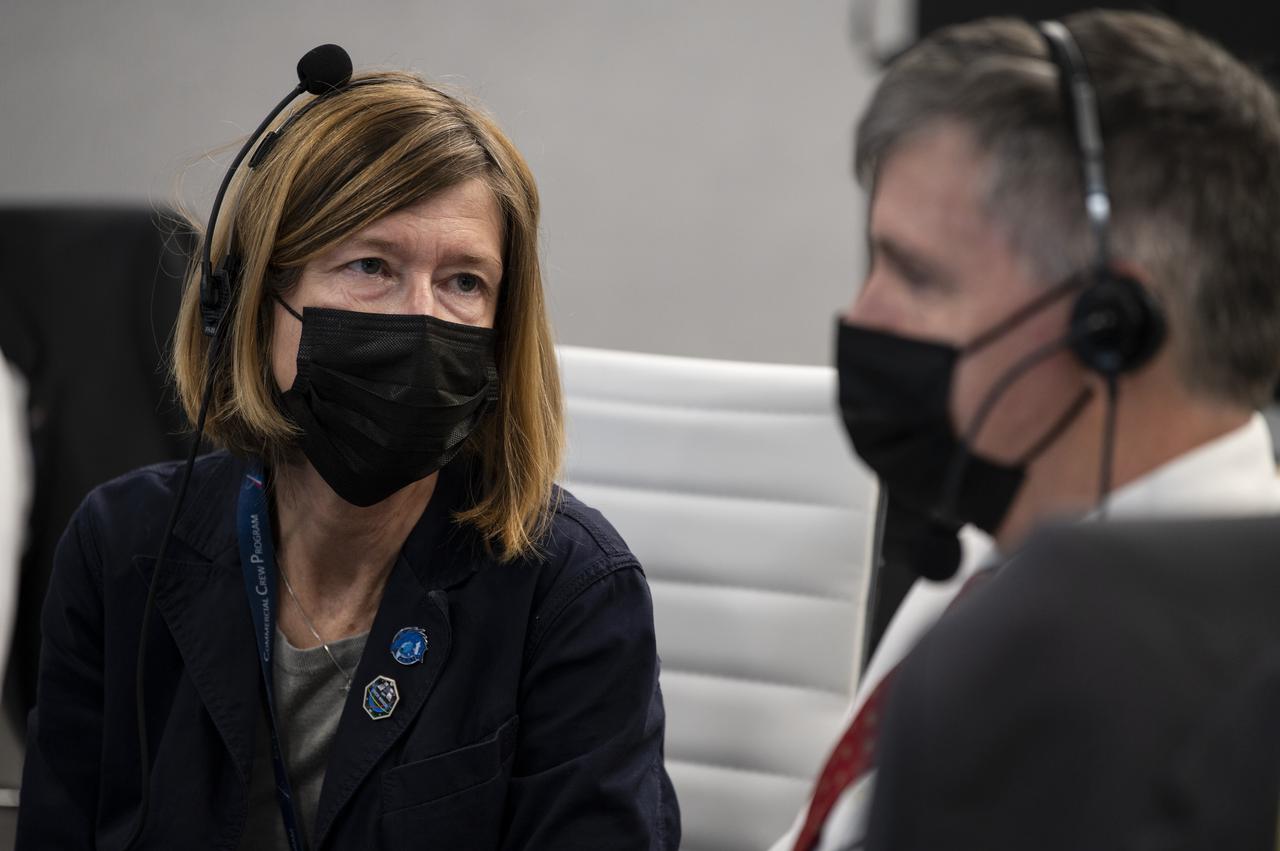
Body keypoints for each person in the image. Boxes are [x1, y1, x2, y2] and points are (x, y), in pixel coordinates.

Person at [17, 68, 679, 850]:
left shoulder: (571, 591)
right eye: (372, 267)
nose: (421, 318)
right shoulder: (122, 547)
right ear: (258, 299)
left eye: (464, 281)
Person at [774, 10, 1280, 851]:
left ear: (1108, 326)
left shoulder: (1202, 686)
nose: (863, 316)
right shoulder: (1002, 545)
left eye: (917, 274)